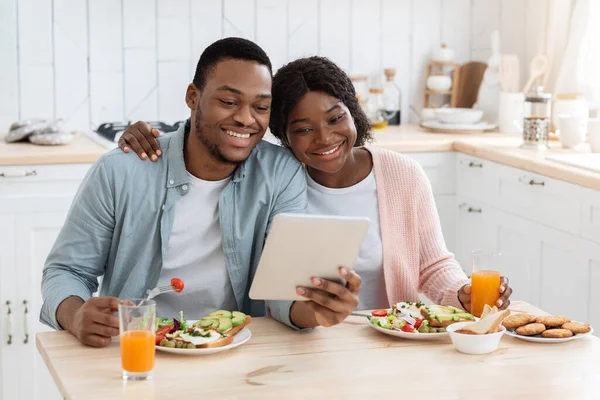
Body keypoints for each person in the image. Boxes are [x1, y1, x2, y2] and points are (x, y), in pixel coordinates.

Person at [119, 55, 513, 322]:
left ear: (352, 109)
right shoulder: (272, 179)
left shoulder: (402, 176)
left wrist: (461, 292)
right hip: (298, 340)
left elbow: (433, 264)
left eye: (334, 118)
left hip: (390, 339)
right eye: (303, 129)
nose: (324, 139)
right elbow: (218, 132)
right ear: (283, 137)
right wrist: (153, 133)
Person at [40, 39, 362, 348]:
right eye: (228, 102)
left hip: (238, 349)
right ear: (193, 97)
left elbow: (280, 291)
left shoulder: (280, 174)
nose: (246, 119)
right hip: (139, 349)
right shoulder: (120, 171)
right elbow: (66, 271)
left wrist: (317, 310)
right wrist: (76, 314)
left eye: (260, 107)